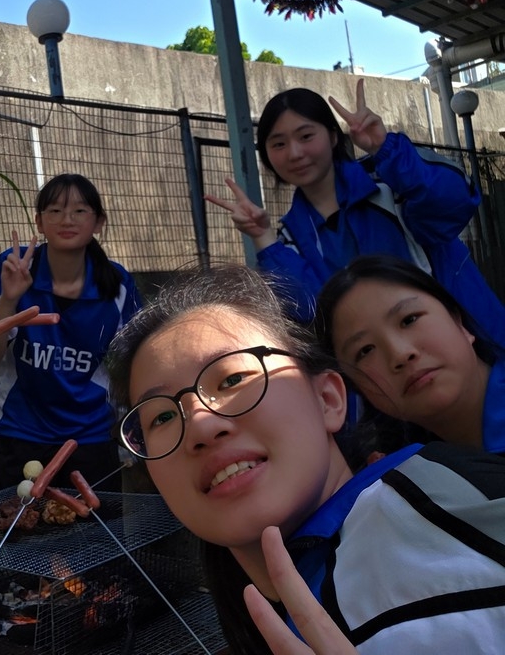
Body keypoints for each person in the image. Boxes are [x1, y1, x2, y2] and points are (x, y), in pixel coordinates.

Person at [106, 264, 505, 654]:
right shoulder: (267, 610)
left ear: (327, 399)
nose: (200, 425)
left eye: (232, 379)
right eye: (162, 417)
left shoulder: (444, 501)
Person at [205, 78, 505, 348]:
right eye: (279, 144)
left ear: (334, 137)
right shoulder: (289, 239)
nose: (294, 153)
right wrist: (263, 237)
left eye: (306, 136)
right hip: (385, 378)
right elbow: (313, 314)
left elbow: (454, 202)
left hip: (477, 351)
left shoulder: (390, 184)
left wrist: (385, 148)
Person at [0, 173, 141, 491]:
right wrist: (9, 298)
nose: (67, 219)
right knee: (23, 522)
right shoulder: (14, 267)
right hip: (23, 432)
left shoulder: (118, 283)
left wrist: (134, 428)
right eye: (54, 210)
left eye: (79, 210)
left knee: (95, 522)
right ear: (39, 221)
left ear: (98, 222)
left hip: (92, 436)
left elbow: (133, 362)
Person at [315, 254, 505, 454]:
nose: (400, 354)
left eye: (409, 320)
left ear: (458, 321)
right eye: (366, 350)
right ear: (356, 388)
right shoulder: (414, 466)